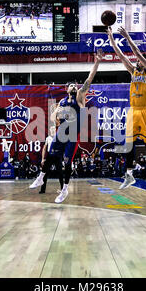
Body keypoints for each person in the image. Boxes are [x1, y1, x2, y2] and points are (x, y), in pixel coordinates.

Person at [29, 49, 103, 203]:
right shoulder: (61, 102)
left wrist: (97, 62)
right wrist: (57, 112)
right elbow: (51, 118)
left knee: (67, 163)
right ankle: (41, 177)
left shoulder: (80, 97)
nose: (73, 86)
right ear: (66, 89)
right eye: (70, 85)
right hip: (60, 133)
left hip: (72, 136)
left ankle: (64, 190)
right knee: (50, 155)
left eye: (74, 85)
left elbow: (89, 79)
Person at [107, 26, 146, 193]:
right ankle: (129, 174)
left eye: (139, 61)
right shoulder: (133, 72)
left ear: (144, 61)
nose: (136, 62)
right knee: (129, 143)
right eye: (136, 62)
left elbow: (136, 52)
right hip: (133, 111)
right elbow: (120, 55)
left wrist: (127, 37)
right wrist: (111, 39)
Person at [39, 126, 64, 195]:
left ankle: (63, 189)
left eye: (54, 129)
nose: (53, 130)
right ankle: (42, 189)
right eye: (51, 129)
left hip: (57, 156)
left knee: (60, 173)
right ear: (50, 131)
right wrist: (43, 159)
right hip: (50, 156)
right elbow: (44, 149)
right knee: (44, 173)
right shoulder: (48, 138)